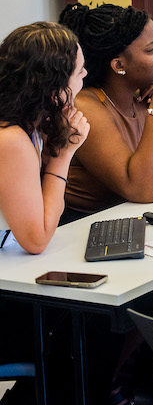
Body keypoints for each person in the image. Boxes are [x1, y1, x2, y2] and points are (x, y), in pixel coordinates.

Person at [58, 3, 153, 217]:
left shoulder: (139, 94)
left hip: (130, 218)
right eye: (151, 50)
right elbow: (142, 189)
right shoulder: (85, 107)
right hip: (82, 227)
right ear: (119, 65)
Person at [0, 22, 89, 252]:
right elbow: (36, 240)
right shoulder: (11, 139)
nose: (85, 75)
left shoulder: (31, 123)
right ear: (54, 89)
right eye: (79, 71)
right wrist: (63, 156)